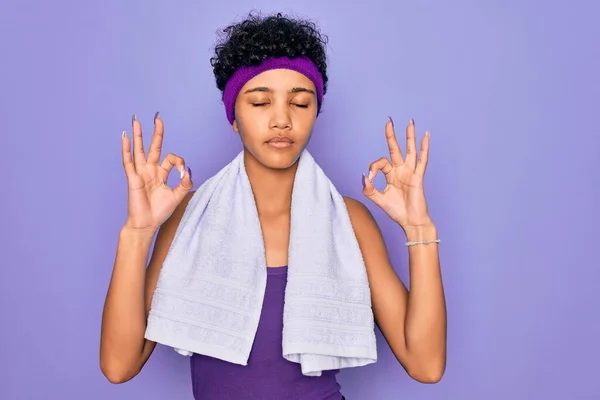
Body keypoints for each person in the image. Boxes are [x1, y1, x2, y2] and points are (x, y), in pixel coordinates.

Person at [100, 12, 446, 400]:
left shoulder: (350, 221)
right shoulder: (189, 217)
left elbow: (426, 364)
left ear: (316, 112)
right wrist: (137, 233)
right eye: (261, 102)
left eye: (300, 103)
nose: (282, 119)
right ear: (234, 117)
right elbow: (119, 365)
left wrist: (420, 230)